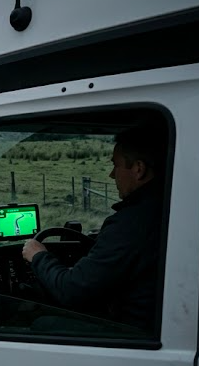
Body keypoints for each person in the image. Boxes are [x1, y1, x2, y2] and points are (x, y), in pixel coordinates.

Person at [21, 123, 165, 332]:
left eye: (116, 165)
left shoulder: (132, 223)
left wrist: (38, 256)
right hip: (154, 324)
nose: (111, 175)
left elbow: (71, 291)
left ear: (138, 169)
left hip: (134, 332)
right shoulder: (165, 206)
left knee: (42, 324)